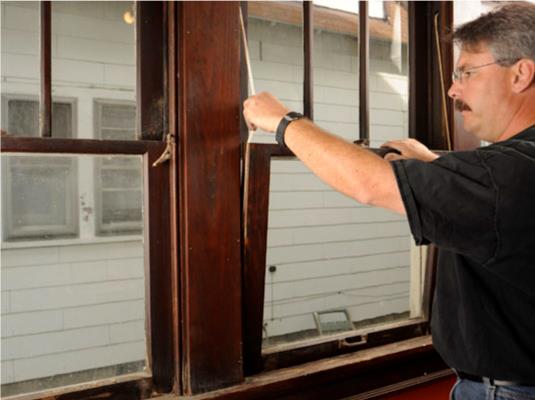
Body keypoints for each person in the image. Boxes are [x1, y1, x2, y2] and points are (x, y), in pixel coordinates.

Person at [243, 3, 535, 400]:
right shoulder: (511, 170)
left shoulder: (512, 173)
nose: (453, 89)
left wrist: (282, 121)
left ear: (521, 73)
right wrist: (435, 165)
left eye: (466, 72)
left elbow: (368, 184)